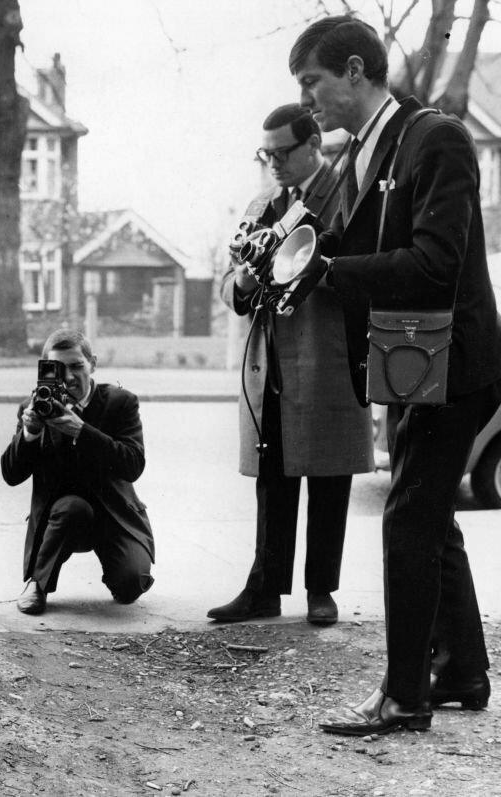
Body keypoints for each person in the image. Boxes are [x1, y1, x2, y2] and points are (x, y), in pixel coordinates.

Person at [289, 15, 501, 735]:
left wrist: (332, 271)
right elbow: (355, 240)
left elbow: (437, 262)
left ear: (355, 71)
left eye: (313, 82)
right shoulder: (375, 147)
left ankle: (404, 696)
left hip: (452, 363)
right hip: (417, 361)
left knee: (409, 517)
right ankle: (463, 670)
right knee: (429, 516)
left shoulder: (434, 137)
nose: (308, 99)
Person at [208, 104, 373, 626]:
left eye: (282, 153)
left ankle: (320, 590)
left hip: (326, 351)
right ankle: (265, 587)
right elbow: (229, 286)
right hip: (270, 358)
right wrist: (248, 279)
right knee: (271, 474)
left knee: (329, 473)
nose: (273, 163)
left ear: (313, 146)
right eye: (266, 154)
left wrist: (311, 268)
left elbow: (358, 267)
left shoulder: (347, 193)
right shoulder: (262, 203)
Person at [0, 329, 154, 615]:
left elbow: (133, 465)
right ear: (45, 369)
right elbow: (11, 475)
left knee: (131, 586)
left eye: (76, 366)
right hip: (64, 519)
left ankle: (119, 570)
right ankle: (38, 584)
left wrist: (81, 430)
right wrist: (30, 433)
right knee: (72, 508)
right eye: (58, 369)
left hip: (115, 515)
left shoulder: (120, 403)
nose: (69, 377)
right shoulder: (35, 407)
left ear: (92, 364)